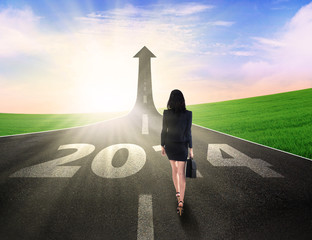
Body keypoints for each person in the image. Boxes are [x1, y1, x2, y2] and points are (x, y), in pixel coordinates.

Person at [161, 89, 193, 216]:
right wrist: (191, 148)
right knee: (182, 172)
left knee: (174, 169)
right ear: (182, 100)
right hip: (182, 146)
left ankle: (177, 192)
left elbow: (164, 130)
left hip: (170, 145)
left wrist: (162, 145)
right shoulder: (188, 114)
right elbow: (188, 132)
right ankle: (181, 202)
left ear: (170, 100)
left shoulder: (166, 113)